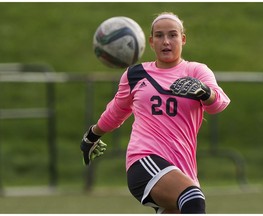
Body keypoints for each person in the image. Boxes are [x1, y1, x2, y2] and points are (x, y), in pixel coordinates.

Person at [80, 12, 230, 214]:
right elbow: (116, 111)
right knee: (193, 198)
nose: (166, 41)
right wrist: (91, 136)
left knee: (190, 200)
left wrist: (205, 92)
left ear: (183, 39)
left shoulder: (196, 71)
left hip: (182, 168)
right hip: (144, 160)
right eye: (159, 36)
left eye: (173, 35)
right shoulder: (135, 75)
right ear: (150, 42)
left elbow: (218, 104)